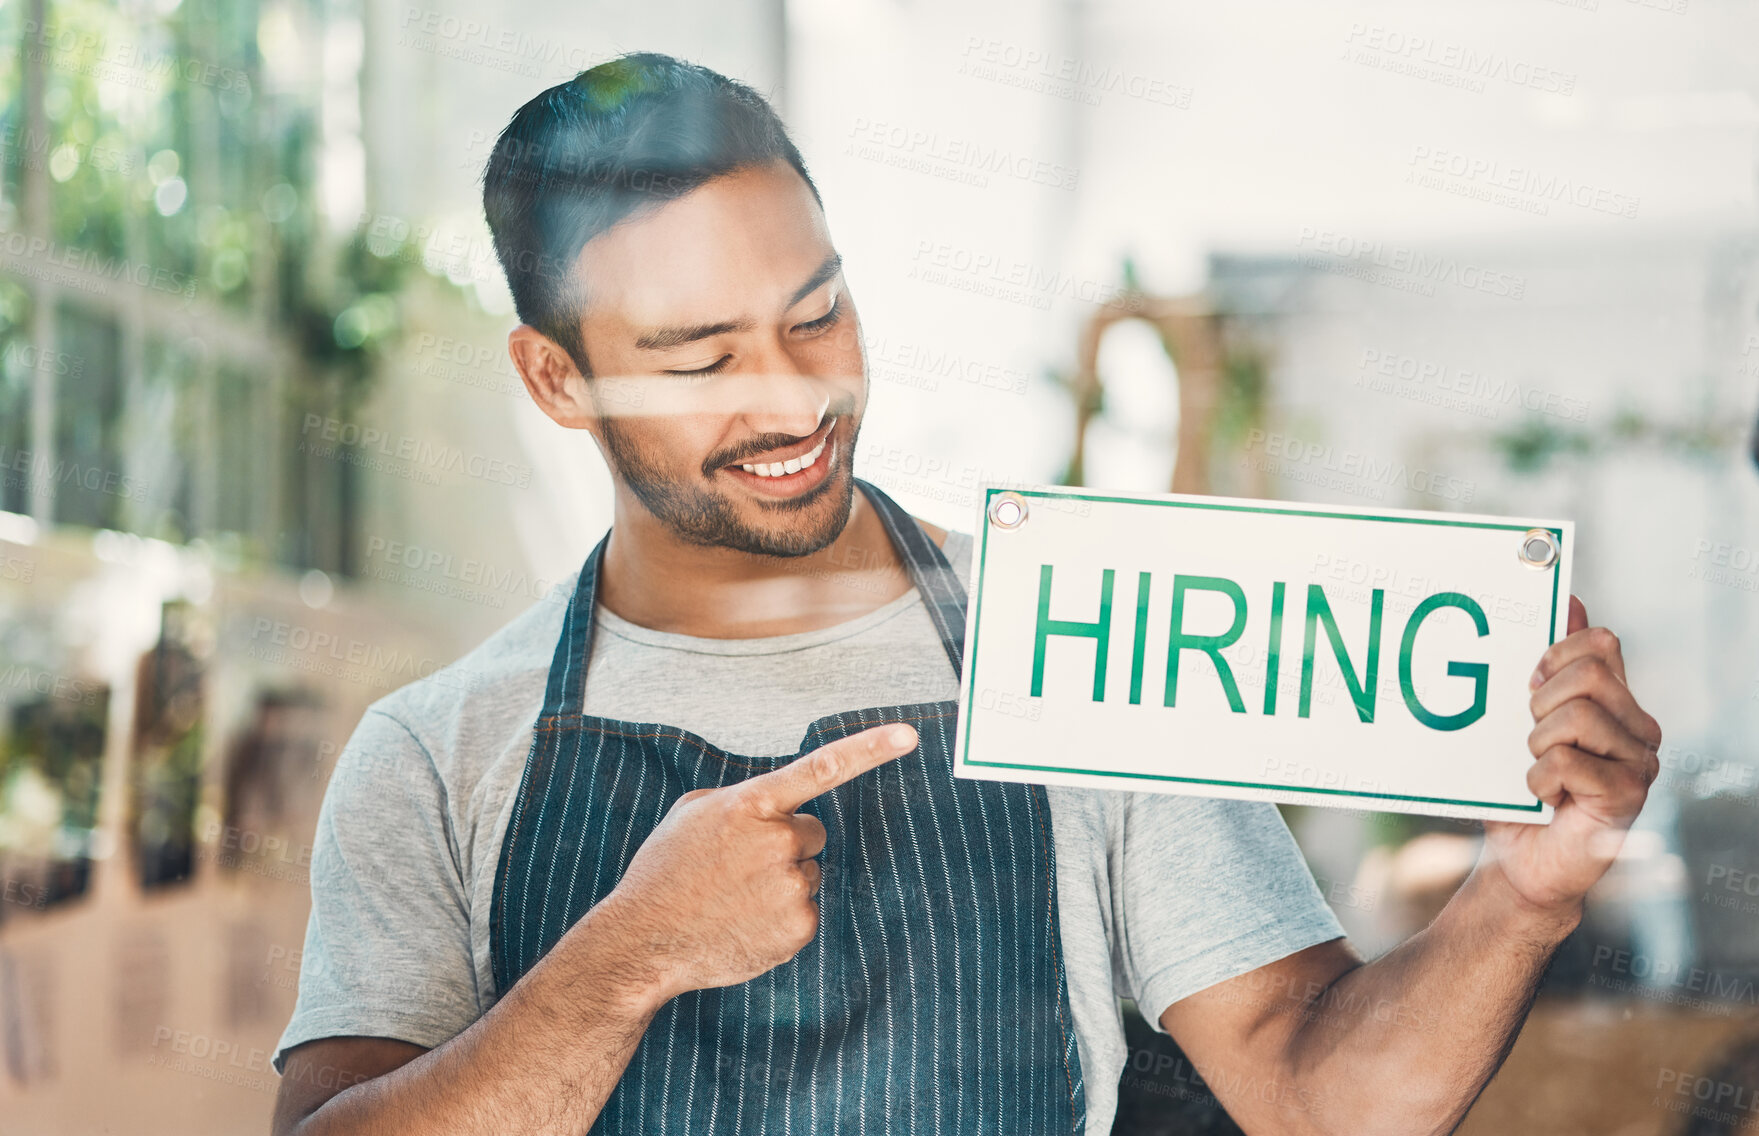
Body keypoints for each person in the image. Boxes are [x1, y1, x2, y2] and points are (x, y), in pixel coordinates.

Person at [268, 52, 1663, 1135]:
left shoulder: (1086, 637)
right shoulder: (436, 752)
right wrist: (623, 961)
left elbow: (1319, 1093)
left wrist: (1523, 894)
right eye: (700, 361)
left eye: (816, 311)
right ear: (555, 377)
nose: (796, 393)